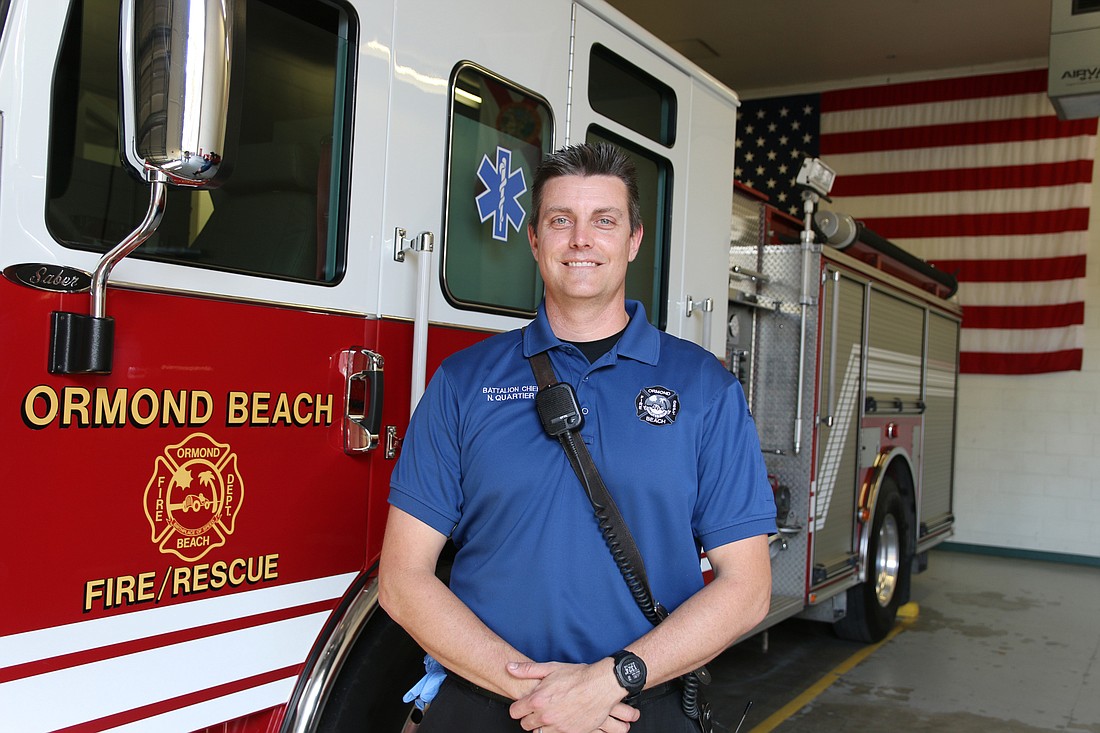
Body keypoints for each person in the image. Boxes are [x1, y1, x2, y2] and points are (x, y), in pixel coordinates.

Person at [379, 142, 775, 733]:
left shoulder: (704, 388)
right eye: (560, 220)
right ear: (535, 240)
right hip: (488, 707)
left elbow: (747, 589)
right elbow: (403, 579)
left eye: (604, 221)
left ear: (634, 240)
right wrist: (542, 696)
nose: (581, 239)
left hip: (637, 709)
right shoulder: (462, 382)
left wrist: (609, 682)